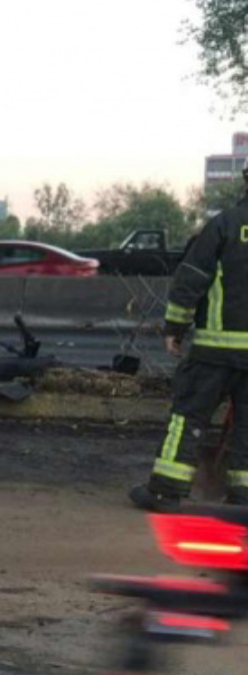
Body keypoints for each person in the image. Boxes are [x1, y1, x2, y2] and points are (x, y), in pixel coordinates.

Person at [129, 173, 248, 510]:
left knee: (189, 416)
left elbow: (191, 281)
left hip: (215, 351)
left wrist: (174, 329)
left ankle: (166, 489)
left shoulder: (223, 226)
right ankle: (243, 497)